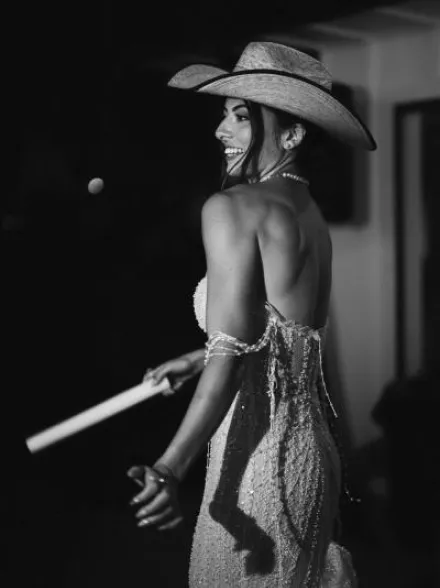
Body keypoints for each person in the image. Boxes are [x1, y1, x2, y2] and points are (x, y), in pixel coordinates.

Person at [127, 41, 376, 587]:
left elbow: (233, 357)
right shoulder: (310, 215)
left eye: (241, 117)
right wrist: (196, 358)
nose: (221, 130)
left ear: (292, 135)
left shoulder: (230, 208)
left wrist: (169, 468)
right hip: (312, 459)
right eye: (224, 115)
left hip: (256, 464)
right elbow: (279, 336)